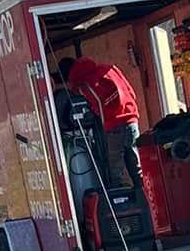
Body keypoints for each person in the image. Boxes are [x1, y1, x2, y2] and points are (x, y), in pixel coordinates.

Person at [58, 53, 142, 195]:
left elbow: (97, 103)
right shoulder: (108, 68)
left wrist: (102, 120)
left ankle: (121, 202)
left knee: (116, 171)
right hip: (131, 119)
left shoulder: (84, 84)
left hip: (113, 125)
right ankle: (144, 198)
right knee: (136, 165)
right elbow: (130, 91)